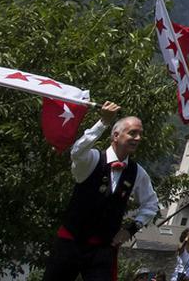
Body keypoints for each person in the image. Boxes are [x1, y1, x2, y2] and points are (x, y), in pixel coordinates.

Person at [44, 102, 159, 281]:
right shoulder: (92, 159)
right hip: (70, 243)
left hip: (103, 249)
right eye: (132, 133)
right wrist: (103, 122)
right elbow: (77, 152)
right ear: (115, 135)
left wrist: (130, 229)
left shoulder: (137, 172)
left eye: (140, 134)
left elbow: (151, 204)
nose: (137, 138)